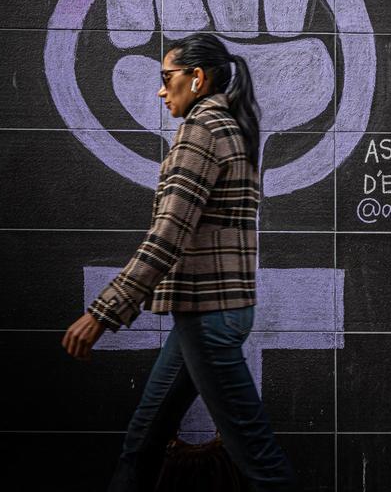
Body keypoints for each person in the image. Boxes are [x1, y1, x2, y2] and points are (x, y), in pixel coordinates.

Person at [62, 33, 296, 491]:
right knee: (143, 441)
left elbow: (168, 234)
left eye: (167, 78)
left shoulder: (201, 131)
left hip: (208, 317)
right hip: (208, 314)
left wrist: (102, 314)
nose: (161, 89)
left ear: (197, 77)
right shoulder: (234, 128)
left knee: (260, 462)